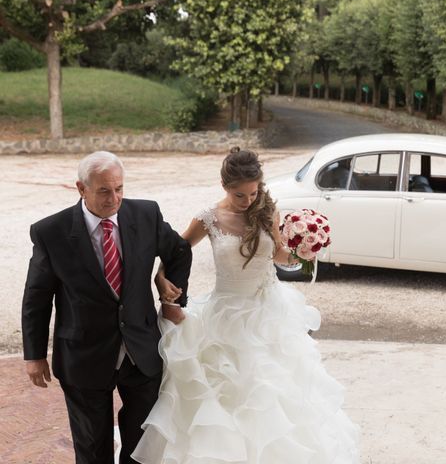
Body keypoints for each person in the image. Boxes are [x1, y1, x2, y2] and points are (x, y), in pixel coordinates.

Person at [131, 147, 359, 463]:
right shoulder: (207, 217)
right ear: (225, 187)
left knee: (273, 392)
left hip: (269, 314)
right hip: (224, 314)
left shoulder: (267, 210)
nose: (249, 200)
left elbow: (277, 254)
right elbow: (177, 251)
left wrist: (300, 254)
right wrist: (160, 279)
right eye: (240, 195)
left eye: (253, 192)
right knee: (228, 393)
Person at [21, 151, 192, 464]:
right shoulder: (50, 232)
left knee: (143, 446)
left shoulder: (146, 214)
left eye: (119, 188)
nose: (114, 198)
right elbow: (37, 296)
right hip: (83, 356)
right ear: (80, 188)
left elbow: (179, 252)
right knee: (91, 448)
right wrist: (34, 355)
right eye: (103, 190)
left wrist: (170, 297)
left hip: (142, 351)